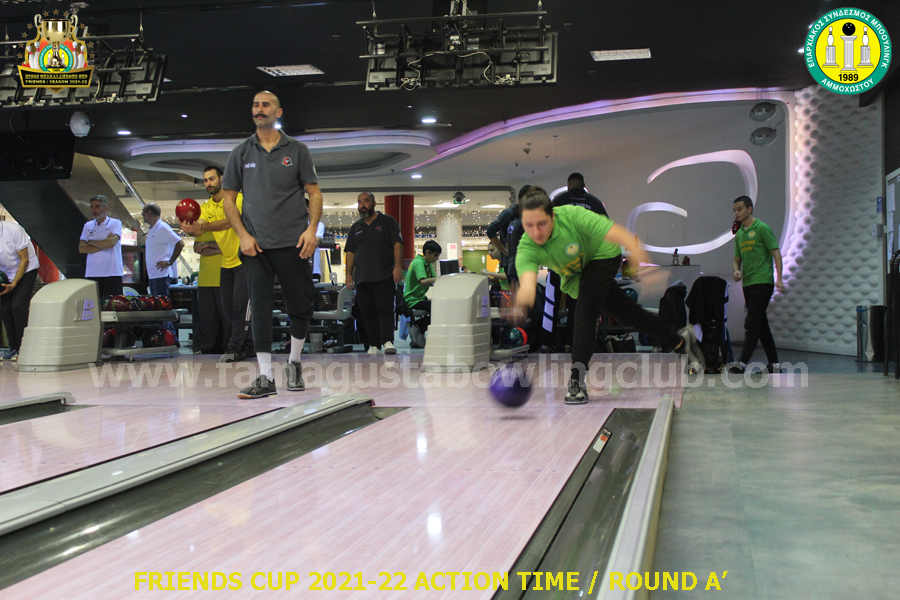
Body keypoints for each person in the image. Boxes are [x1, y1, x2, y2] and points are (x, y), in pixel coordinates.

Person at [514, 186, 705, 404]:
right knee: (627, 313)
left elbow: (620, 234)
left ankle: (576, 379)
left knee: (585, 311)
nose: (536, 232)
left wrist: (641, 260)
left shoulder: (572, 216)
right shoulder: (527, 247)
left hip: (602, 255)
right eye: (529, 225)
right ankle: (679, 340)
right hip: (578, 275)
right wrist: (523, 298)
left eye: (542, 223)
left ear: (553, 216)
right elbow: (527, 281)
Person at [221, 91, 322, 399]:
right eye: (255, 105)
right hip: (256, 246)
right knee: (260, 308)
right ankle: (265, 377)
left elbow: (314, 194)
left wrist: (312, 229)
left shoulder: (297, 150)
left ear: (278, 112)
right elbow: (228, 200)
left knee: (300, 305)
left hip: (294, 242)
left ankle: (294, 361)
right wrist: (243, 235)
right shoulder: (240, 153)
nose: (259, 109)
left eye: (265, 105)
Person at [179, 166, 252, 363]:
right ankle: (249, 345)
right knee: (228, 310)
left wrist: (202, 226)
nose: (208, 183)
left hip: (244, 260)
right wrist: (189, 227)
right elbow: (199, 230)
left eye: (212, 179)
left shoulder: (237, 198)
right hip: (227, 263)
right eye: (205, 180)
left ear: (222, 178)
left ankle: (235, 347)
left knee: (240, 308)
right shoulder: (206, 207)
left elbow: (230, 221)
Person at [729, 196, 783, 374]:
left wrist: (779, 278)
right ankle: (774, 365)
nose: (737, 213)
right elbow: (736, 259)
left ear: (749, 209)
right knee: (761, 324)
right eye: (735, 210)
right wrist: (736, 270)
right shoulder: (740, 234)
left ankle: (742, 362)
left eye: (740, 209)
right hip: (748, 282)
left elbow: (775, 253)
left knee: (752, 322)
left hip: (763, 280)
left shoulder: (762, 228)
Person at [344, 192, 403, 355]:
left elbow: (397, 244)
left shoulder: (387, 222)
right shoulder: (356, 228)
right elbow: (350, 252)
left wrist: (398, 266)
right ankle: (373, 344)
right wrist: (348, 274)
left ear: (374, 203)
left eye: (366, 201)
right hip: (362, 277)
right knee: (367, 313)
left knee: (385, 310)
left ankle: (387, 341)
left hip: (384, 274)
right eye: (359, 202)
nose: (362, 205)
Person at [0, 221, 39, 361]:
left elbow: (24, 259)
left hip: (27, 269)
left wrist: (14, 284)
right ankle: (14, 348)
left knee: (17, 307)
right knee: (5, 309)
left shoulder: (13, 230)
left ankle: (25, 347)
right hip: (6, 273)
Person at [79, 195, 124, 297]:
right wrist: (104, 243)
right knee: (93, 304)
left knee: (113, 304)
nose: (93, 210)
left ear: (105, 208)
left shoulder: (115, 223)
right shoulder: (88, 225)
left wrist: (91, 242)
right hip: (92, 273)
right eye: (91, 207)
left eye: (97, 207)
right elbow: (82, 248)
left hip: (112, 273)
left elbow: (111, 243)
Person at [191, 230, 225, 355]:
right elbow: (198, 249)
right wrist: (220, 249)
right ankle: (203, 347)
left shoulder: (228, 227)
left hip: (225, 278)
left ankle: (230, 346)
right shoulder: (202, 229)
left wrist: (207, 244)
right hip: (205, 280)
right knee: (206, 317)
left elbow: (232, 247)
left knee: (228, 317)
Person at [142, 203, 184, 305]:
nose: (142, 214)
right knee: (156, 307)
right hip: (154, 275)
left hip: (161, 276)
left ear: (149, 213)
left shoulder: (162, 228)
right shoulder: (153, 229)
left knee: (161, 307)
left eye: (143, 212)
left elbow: (180, 243)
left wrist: (170, 262)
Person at [403, 240, 441, 333]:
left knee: (440, 306)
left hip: (420, 298)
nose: (437, 259)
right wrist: (440, 279)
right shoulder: (418, 262)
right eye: (436, 255)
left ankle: (419, 327)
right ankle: (418, 326)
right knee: (438, 308)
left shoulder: (428, 264)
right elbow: (423, 282)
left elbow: (432, 281)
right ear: (427, 252)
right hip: (412, 300)